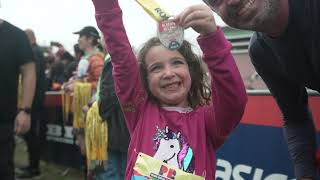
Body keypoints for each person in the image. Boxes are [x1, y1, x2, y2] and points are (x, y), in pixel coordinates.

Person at [91, 0, 247, 179]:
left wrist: (212, 37)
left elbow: (234, 99)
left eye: (177, 63)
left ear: (192, 70)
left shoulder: (208, 121)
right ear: (145, 80)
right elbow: (120, 55)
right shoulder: (140, 109)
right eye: (156, 68)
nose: (168, 73)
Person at [203, 0, 320, 179]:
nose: (232, 1)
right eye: (216, 1)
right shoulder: (261, 52)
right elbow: (296, 117)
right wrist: (305, 174)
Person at [0, 19, 36, 180]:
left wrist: (25, 110)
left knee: (3, 168)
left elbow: (29, 71)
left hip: (3, 119)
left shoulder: (15, 36)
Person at [15, 29, 47, 179]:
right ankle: (32, 165)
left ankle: (34, 168)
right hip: (35, 100)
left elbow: (32, 77)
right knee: (30, 134)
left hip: (33, 101)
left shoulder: (34, 52)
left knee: (31, 133)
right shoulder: (37, 51)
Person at [95, 54, 130, 180]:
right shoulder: (139, 57)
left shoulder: (114, 61)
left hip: (117, 127)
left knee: (115, 171)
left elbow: (107, 97)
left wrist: (101, 110)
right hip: (125, 128)